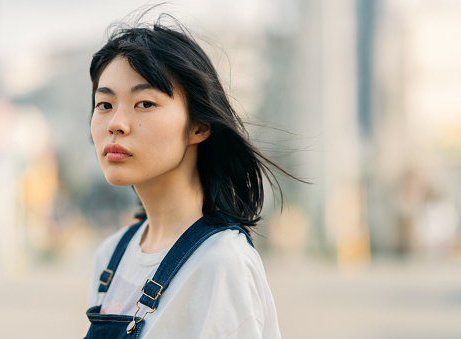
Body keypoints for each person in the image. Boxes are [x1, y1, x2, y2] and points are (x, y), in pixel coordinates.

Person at [85, 12, 300, 339]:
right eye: (104, 104)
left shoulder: (221, 262)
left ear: (198, 126)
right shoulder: (111, 255)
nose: (116, 123)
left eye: (144, 103)